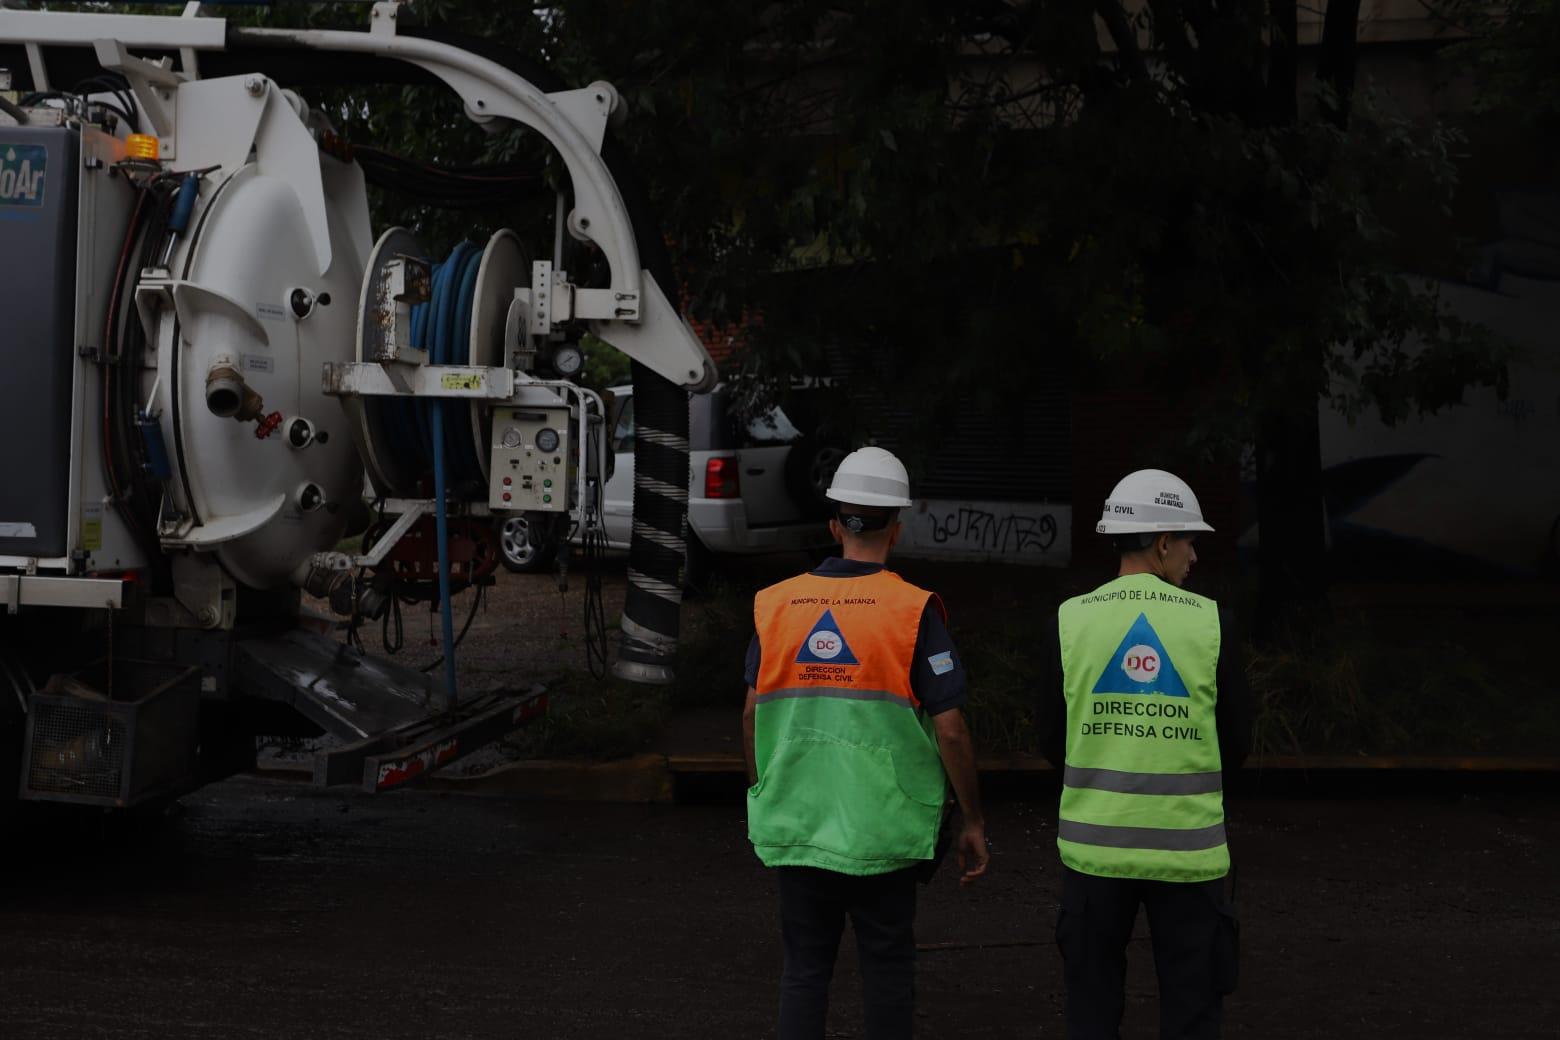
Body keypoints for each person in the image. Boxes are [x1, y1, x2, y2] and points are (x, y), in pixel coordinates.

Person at [743, 446, 989, 1040]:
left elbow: (751, 712)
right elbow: (950, 727)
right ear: (896, 529)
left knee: (804, 971)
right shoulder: (911, 610)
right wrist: (973, 820)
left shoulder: (776, 604)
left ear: (835, 525)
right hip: (885, 830)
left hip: (798, 824)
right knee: (886, 969)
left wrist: (762, 785)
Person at [1038, 468, 1253, 1040]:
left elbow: (1047, 736)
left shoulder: (1070, 619)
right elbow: (1238, 742)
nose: (1194, 558)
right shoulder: (1212, 623)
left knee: (1091, 1010)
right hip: (1188, 856)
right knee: (1192, 1012)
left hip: (1093, 852)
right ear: (1162, 543)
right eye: (1190, 542)